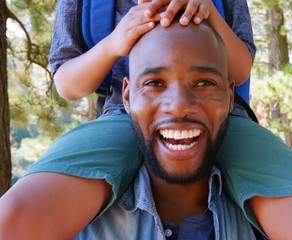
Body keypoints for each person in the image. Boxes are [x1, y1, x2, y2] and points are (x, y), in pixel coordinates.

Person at [0, 1, 292, 239]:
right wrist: (113, 44)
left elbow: (239, 70)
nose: (177, 105)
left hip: (224, 115)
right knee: (14, 219)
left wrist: (211, 15)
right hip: (124, 116)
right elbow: (68, 85)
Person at [76, 18, 259, 239]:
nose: (179, 106)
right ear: (127, 96)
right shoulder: (73, 225)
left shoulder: (269, 224)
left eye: (205, 83)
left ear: (230, 97)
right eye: (154, 83)